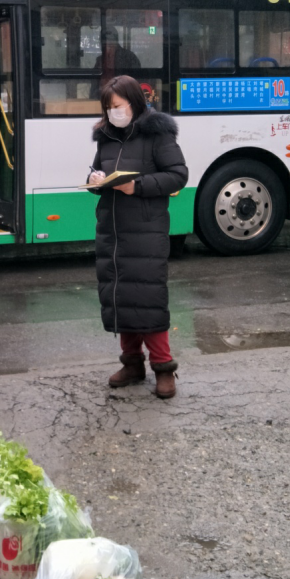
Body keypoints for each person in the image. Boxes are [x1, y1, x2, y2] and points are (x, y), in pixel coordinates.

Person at [88, 75, 188, 398]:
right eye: (108, 107)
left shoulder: (157, 134)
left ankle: (163, 368)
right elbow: (97, 171)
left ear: (133, 102)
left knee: (148, 299)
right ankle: (132, 364)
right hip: (113, 229)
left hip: (146, 230)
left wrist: (137, 186)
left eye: (117, 106)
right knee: (121, 297)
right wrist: (94, 180)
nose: (112, 112)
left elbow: (178, 175)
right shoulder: (106, 137)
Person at [90, 27, 140, 98]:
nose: (108, 48)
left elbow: (136, 83)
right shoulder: (99, 61)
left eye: (110, 44)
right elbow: (94, 86)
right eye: (104, 44)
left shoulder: (129, 58)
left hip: (124, 97)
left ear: (115, 43)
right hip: (103, 97)